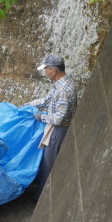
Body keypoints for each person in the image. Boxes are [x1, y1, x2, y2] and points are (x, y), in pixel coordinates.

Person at [24, 54, 78, 203]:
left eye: (46, 69)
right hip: (55, 129)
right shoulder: (60, 85)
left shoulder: (64, 91)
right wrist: (29, 105)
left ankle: (43, 200)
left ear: (53, 70)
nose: (45, 72)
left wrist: (40, 117)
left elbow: (58, 119)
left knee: (49, 165)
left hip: (59, 131)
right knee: (46, 162)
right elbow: (47, 101)